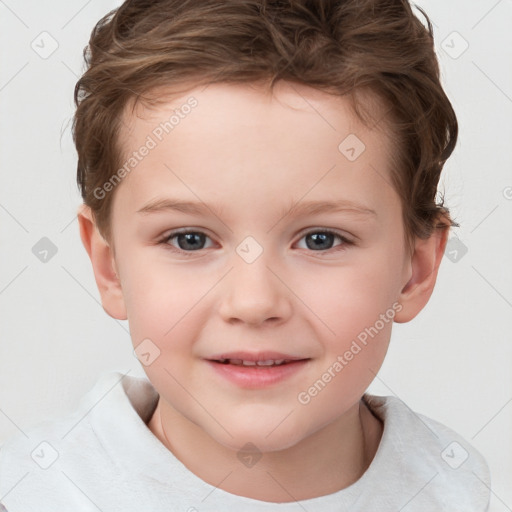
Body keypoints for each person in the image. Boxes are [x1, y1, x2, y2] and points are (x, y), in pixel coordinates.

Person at [0, 0, 491, 510]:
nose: (254, 303)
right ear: (109, 266)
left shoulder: (459, 489)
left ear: (416, 270)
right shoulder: (33, 493)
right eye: (189, 239)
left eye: (321, 239)